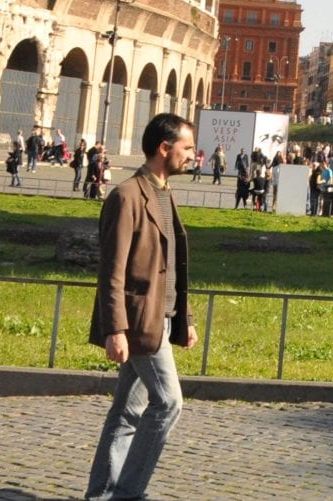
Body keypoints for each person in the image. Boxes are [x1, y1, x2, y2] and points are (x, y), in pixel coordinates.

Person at [85, 113, 198, 501]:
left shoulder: (164, 192)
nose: (192, 155)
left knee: (128, 412)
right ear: (164, 148)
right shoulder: (127, 195)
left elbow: (171, 265)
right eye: (186, 148)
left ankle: (101, 493)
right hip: (139, 323)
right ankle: (129, 493)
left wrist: (187, 319)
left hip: (161, 319)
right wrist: (114, 328)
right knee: (168, 404)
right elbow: (111, 270)